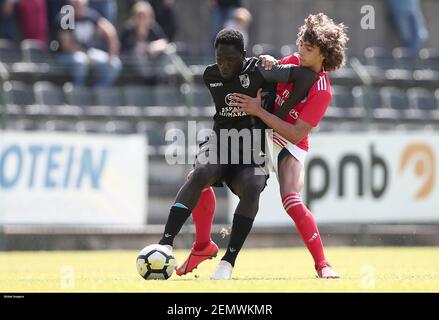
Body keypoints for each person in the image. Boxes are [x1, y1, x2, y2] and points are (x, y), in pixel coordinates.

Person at [178, 13, 348, 279]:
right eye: (301, 43)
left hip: (288, 144)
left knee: (291, 200)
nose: (301, 51)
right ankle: (202, 245)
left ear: (324, 54)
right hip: (260, 133)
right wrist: (266, 62)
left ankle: (323, 265)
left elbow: (294, 133)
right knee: (196, 178)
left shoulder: (322, 90)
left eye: (309, 49)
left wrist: (258, 110)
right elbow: (260, 78)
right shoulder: (291, 62)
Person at [157, 28, 317, 280]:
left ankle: (228, 261)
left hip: (251, 153)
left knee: (253, 184)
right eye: (220, 59)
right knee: (200, 173)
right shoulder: (210, 75)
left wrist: (278, 112)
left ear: (243, 55)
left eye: (231, 60)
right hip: (221, 144)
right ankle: (165, 243)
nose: (224, 66)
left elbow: (307, 77)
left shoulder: (259, 70)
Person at [56, 0, 121, 87]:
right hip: (64, 56)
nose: (80, 8)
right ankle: (78, 90)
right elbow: (66, 46)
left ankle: (98, 92)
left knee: (115, 64)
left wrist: (112, 53)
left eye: (83, 5)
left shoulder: (90, 15)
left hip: (88, 53)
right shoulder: (66, 17)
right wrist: (86, 55)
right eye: (76, 5)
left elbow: (110, 31)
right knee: (81, 60)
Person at [120, 1, 170, 79]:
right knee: (138, 55)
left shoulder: (153, 27)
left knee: (169, 52)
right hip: (131, 64)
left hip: (151, 61)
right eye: (139, 16)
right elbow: (122, 50)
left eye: (145, 16)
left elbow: (164, 42)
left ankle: (158, 79)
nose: (142, 19)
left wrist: (153, 46)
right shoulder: (128, 29)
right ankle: (149, 79)